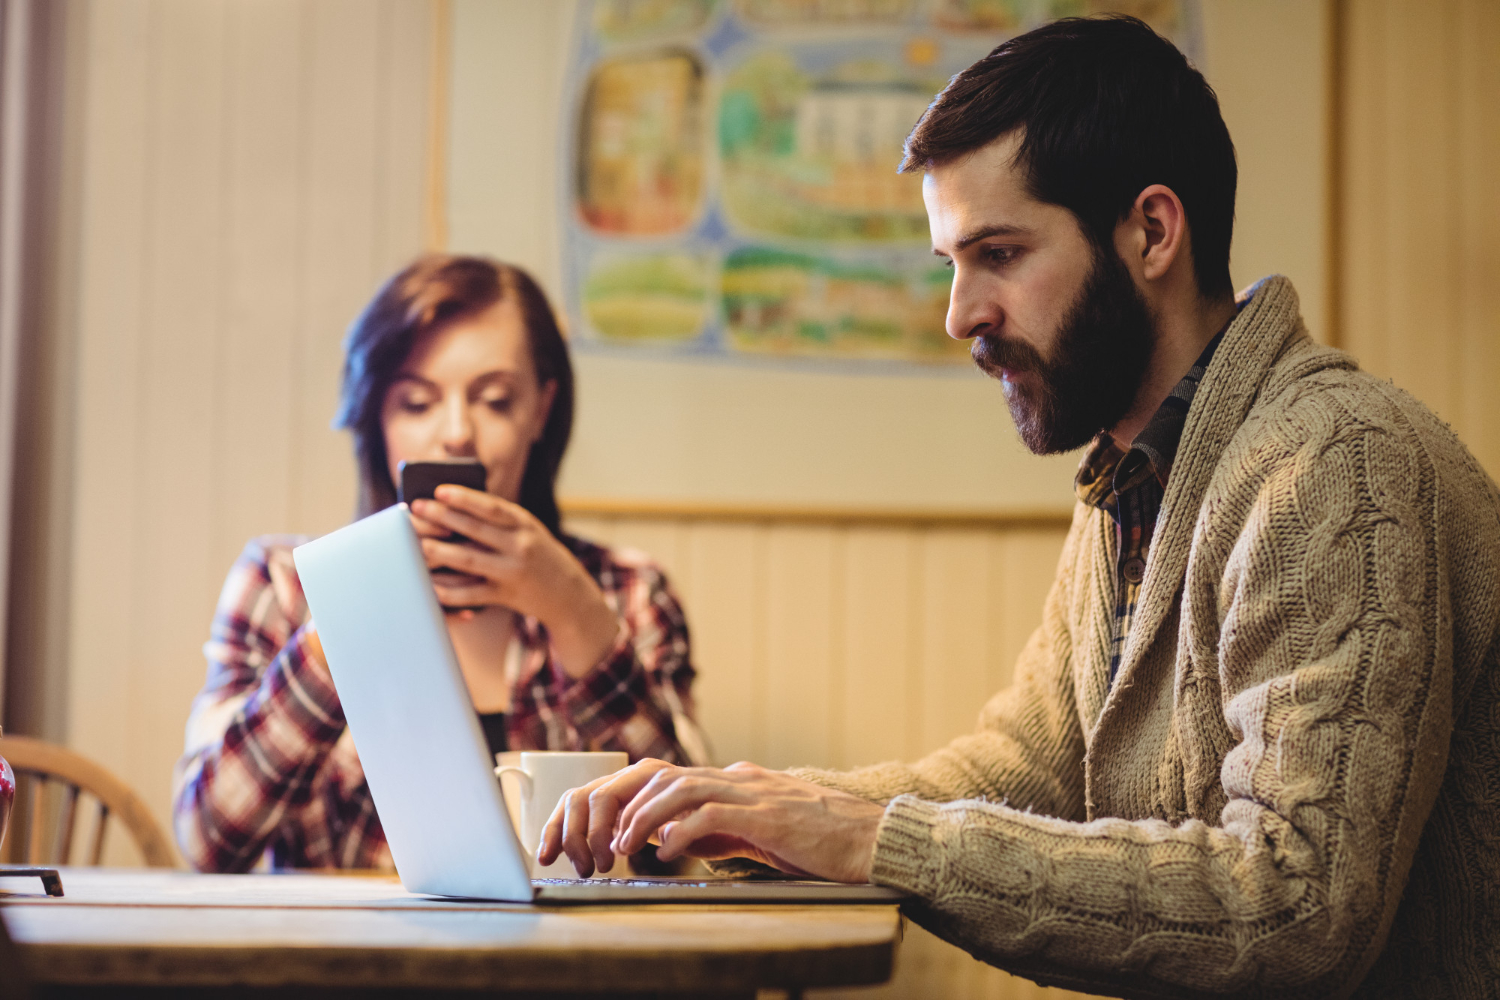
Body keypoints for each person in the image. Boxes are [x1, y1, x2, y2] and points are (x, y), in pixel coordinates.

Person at [539, 16, 1500, 997]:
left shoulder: (1337, 462)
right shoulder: (1134, 474)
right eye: (951, 264)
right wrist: (750, 808)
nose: (961, 314)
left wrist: (867, 838)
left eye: (998, 253)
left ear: (1152, 232)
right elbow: (1027, 771)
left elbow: (1296, 905)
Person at [174, 255, 701, 873]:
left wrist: (574, 609)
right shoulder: (284, 586)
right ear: (377, 417)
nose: (456, 433)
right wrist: (344, 617)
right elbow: (210, 842)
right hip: (344, 935)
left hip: (561, 936)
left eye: (495, 401)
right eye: (417, 402)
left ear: (541, 409)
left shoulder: (627, 592)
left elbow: (680, 849)